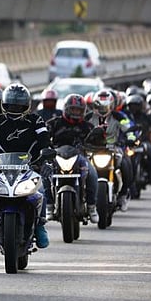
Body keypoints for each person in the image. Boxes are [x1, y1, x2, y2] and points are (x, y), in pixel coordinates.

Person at [0, 83, 51, 250]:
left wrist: (45, 158)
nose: (15, 108)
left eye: (19, 105)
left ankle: (40, 225)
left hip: (29, 167)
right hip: (0, 168)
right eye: (11, 104)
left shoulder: (36, 120)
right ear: (4, 104)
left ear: (26, 105)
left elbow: (44, 140)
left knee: (40, 190)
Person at [46, 93, 98, 223]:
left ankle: (91, 206)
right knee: (45, 174)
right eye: (73, 109)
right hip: (57, 156)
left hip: (80, 157)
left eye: (79, 110)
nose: (76, 112)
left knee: (92, 174)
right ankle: (49, 206)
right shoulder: (54, 123)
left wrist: (99, 137)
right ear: (67, 109)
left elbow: (97, 141)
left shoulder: (88, 127)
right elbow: (43, 138)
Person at [87, 90, 134, 211]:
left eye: (106, 106)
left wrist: (131, 138)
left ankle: (123, 194)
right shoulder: (88, 117)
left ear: (112, 106)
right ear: (94, 105)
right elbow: (80, 129)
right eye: (100, 106)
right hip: (92, 149)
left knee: (126, 164)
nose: (103, 109)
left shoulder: (120, 117)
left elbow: (129, 129)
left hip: (114, 148)